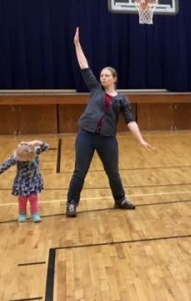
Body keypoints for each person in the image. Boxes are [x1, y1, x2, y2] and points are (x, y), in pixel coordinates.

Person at [65, 27, 154, 218]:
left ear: (114, 79)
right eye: (102, 75)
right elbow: (84, 66)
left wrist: (140, 140)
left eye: (107, 75)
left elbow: (130, 121)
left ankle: (120, 199)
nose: (103, 77)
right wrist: (77, 44)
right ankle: (71, 203)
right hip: (86, 136)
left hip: (107, 139)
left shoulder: (122, 99)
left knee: (113, 172)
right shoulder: (95, 88)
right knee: (80, 171)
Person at [0, 140, 49, 222]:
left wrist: (36, 142)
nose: (22, 161)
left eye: (25, 160)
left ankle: (35, 213)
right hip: (22, 180)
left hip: (33, 179)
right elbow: (5, 165)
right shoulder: (16, 157)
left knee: (33, 197)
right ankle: (22, 213)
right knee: (22, 198)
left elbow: (46, 146)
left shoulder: (35, 151)